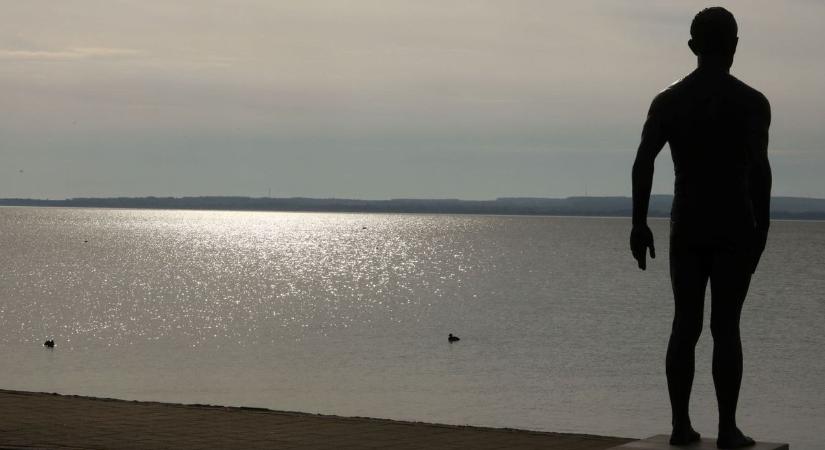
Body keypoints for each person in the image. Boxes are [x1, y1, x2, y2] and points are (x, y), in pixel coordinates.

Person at [630, 7, 771, 449]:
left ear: (693, 47)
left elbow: (643, 163)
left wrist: (639, 223)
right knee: (725, 327)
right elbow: (760, 173)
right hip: (733, 225)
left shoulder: (670, 101)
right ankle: (726, 428)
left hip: (688, 223)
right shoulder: (751, 102)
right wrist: (761, 230)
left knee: (685, 325)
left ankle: (681, 426)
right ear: (733, 46)